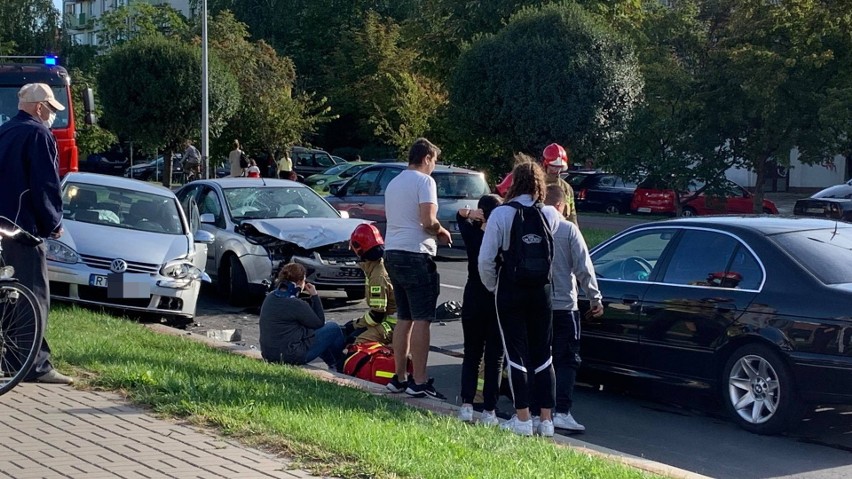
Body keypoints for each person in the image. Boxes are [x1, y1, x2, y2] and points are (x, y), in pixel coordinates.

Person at [478, 158, 561, 436]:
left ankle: (523, 418)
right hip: (543, 290)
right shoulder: (550, 214)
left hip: (511, 288)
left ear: (514, 183)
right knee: (544, 353)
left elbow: (486, 260)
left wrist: (494, 286)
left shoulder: (502, 214)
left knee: (516, 353)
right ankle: (546, 420)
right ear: (539, 183)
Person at [0, 83, 73, 384]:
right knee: (34, 292)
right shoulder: (38, 134)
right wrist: (53, 223)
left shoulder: (4, 131)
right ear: (39, 107)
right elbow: (45, 184)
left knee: (8, 296)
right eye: (51, 109)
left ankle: (11, 360)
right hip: (21, 228)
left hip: (1, 224)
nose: (53, 115)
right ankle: (34, 366)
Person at [383, 137, 451, 399]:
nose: (434, 166)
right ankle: (419, 380)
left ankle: (399, 377)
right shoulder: (425, 181)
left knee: (404, 317)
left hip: (393, 251)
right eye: (434, 161)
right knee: (423, 318)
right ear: (426, 159)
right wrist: (442, 231)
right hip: (416, 252)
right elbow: (427, 220)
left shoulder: (394, 182)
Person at [541, 184, 604, 433]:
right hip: (565, 305)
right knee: (566, 359)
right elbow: (584, 268)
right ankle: (562, 411)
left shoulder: (531, 226)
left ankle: (537, 409)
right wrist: (595, 299)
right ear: (561, 204)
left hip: (537, 305)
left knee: (539, 358)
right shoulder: (568, 230)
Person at [456, 194, 504, 426]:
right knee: (495, 357)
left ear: (481, 212)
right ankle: (489, 409)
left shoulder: (471, 234)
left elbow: (459, 217)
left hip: (473, 295)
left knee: (472, 353)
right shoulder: (501, 239)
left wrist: (468, 213)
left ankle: (466, 404)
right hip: (495, 297)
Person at [259, 263, 345, 371]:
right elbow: (319, 323)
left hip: (268, 354)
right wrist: (314, 295)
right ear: (299, 282)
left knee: (316, 333)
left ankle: (334, 365)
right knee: (333, 328)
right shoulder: (296, 304)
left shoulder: (270, 297)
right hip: (290, 356)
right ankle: (340, 364)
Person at [346, 223, 396, 346]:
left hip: (391, 325)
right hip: (395, 322)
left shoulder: (377, 276)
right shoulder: (380, 264)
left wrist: (354, 324)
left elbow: (377, 315)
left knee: (358, 344)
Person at [541, 143, 579, 227]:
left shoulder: (567, 188)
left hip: (561, 229)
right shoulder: (536, 184)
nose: (556, 170)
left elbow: (572, 215)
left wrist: (575, 233)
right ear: (545, 164)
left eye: (559, 167)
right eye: (553, 166)